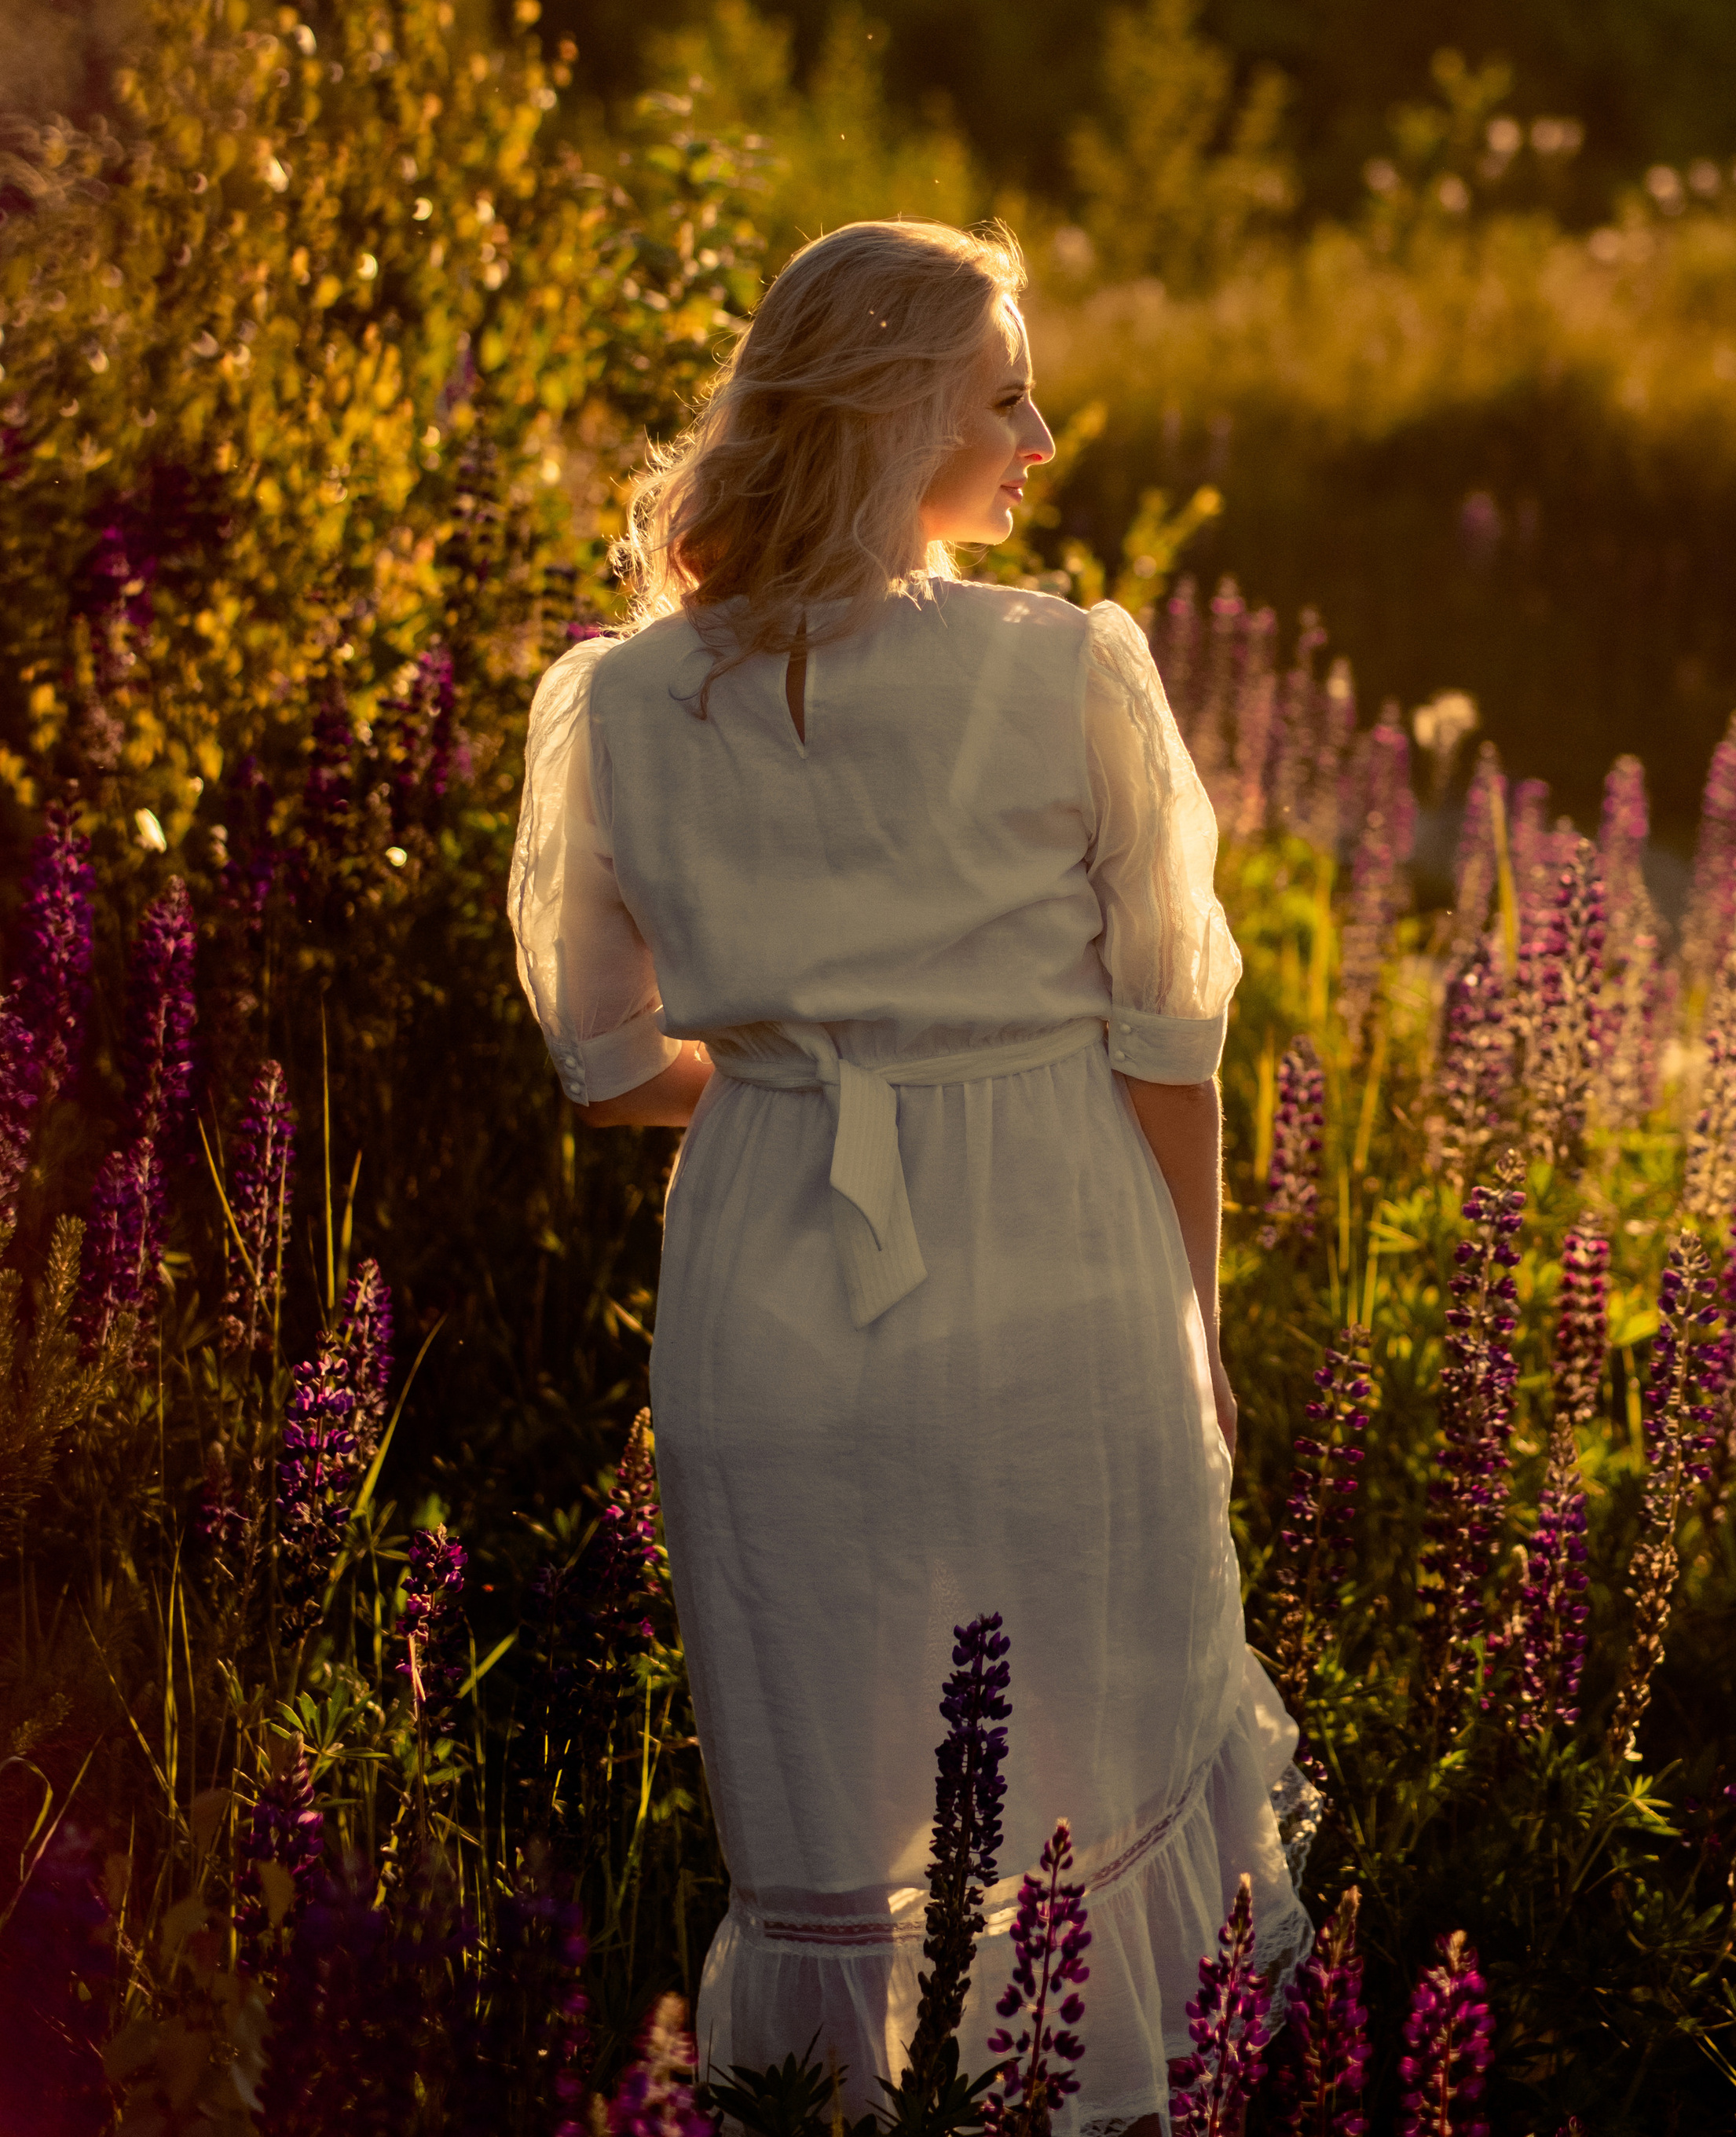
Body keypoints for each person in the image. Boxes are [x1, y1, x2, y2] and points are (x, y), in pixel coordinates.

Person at [508, 220, 1309, 2135]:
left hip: (763, 1300)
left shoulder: (622, 703)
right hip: (1056, 1275)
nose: (1040, 439)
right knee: (1088, 1767)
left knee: (831, 1792)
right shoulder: (1067, 668)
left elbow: (606, 1071)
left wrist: (796, 1081)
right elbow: (1168, 1042)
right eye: (1003, 399)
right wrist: (1190, 1327)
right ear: (888, 420)